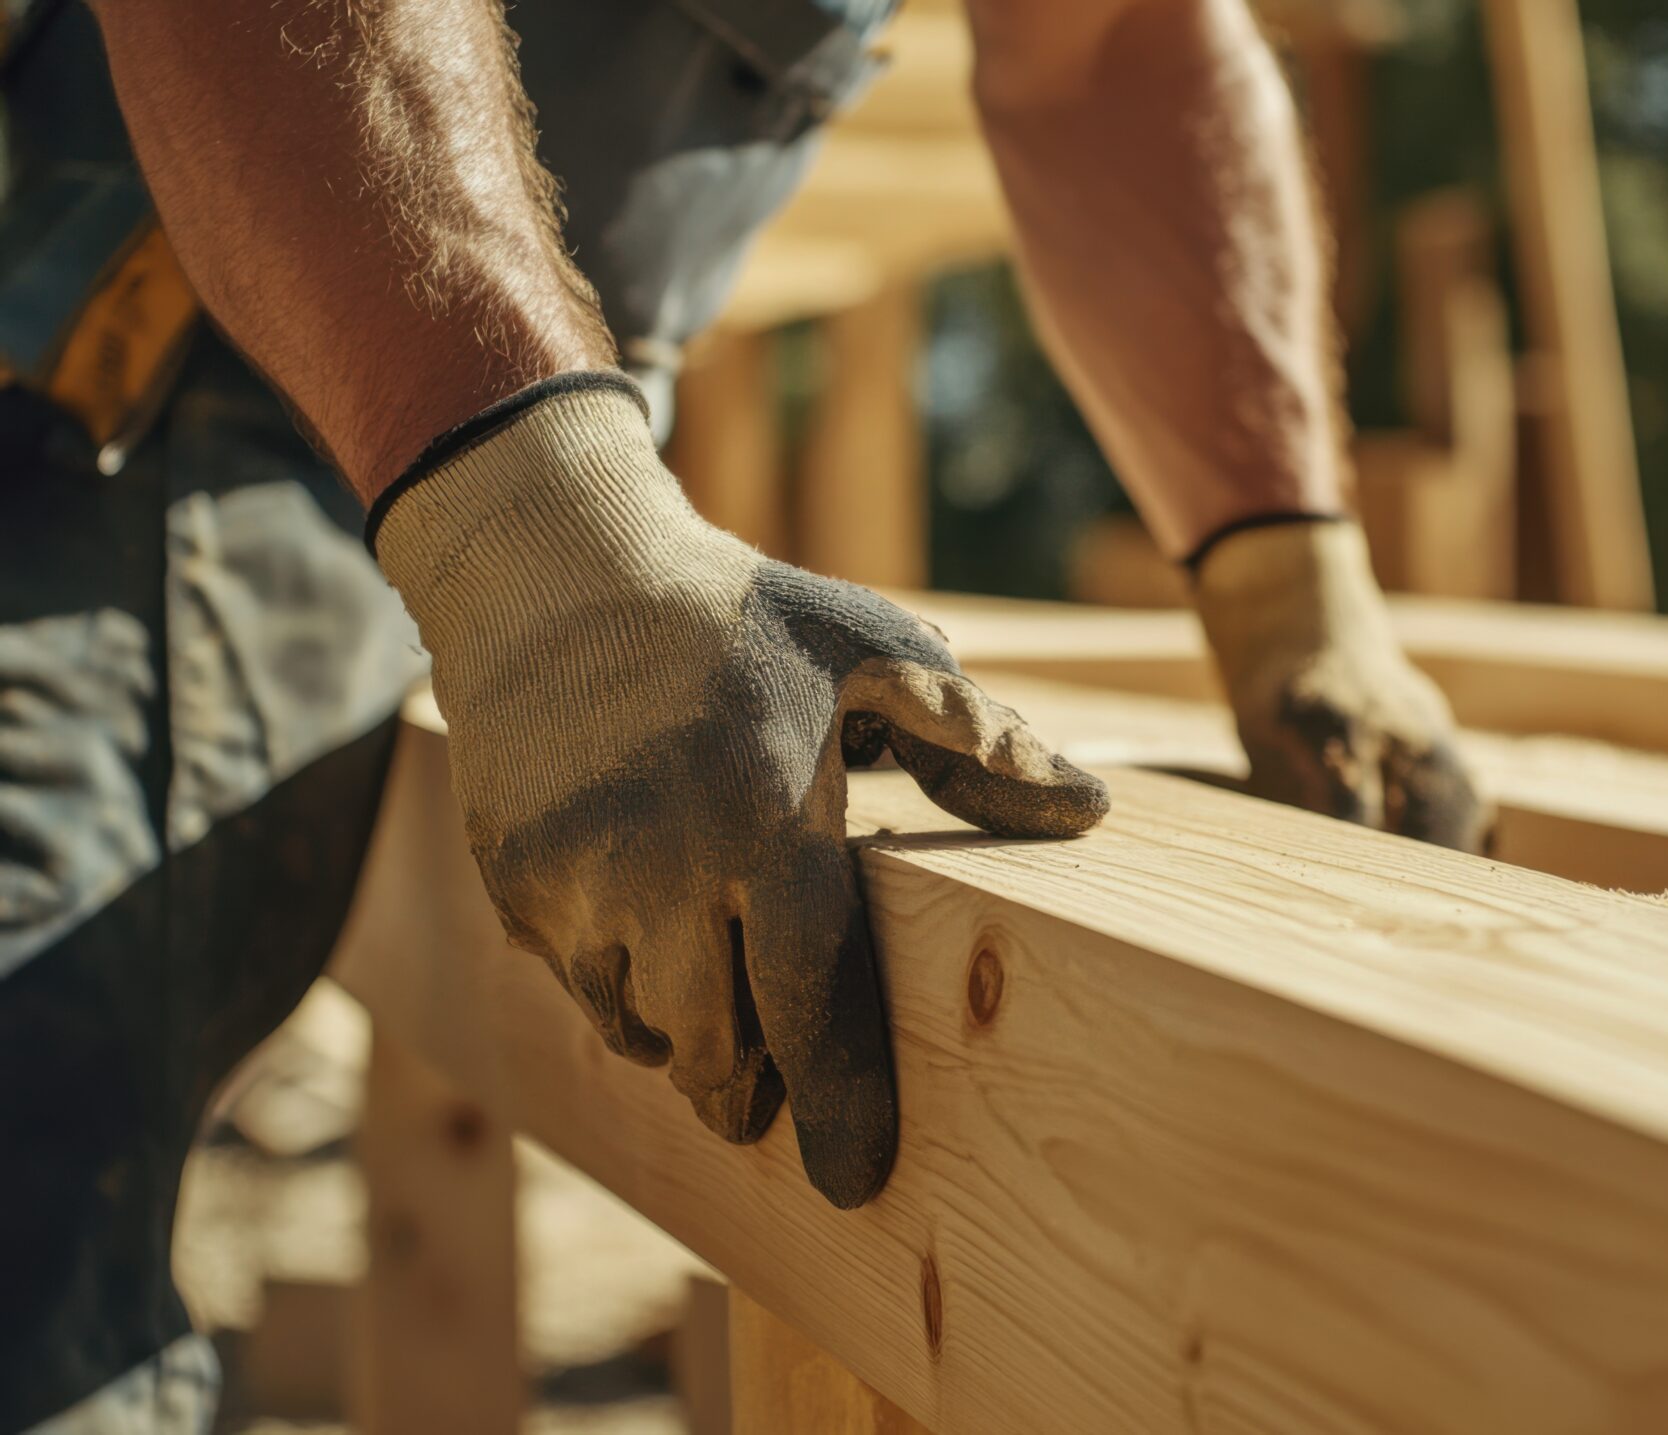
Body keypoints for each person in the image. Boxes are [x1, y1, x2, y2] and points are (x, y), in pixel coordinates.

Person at [0, 0, 1487, 1426]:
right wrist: (541, 534)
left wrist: (1281, 568)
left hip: (456, 416)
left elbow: (1113, 40)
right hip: (113, 388)